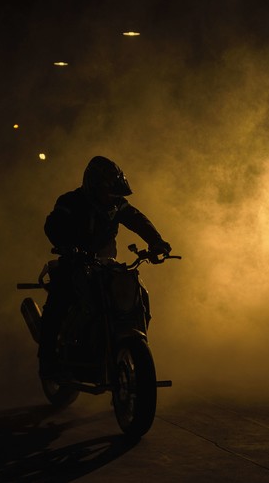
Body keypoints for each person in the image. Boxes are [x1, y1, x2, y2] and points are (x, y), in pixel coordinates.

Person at [38, 155, 171, 378]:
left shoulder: (118, 205)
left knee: (136, 293)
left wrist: (156, 242)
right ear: (92, 186)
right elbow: (53, 225)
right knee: (59, 300)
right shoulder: (70, 201)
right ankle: (47, 360)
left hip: (105, 264)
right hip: (74, 262)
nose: (112, 197)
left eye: (115, 193)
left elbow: (138, 220)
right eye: (108, 192)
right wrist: (66, 245)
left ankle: (117, 344)